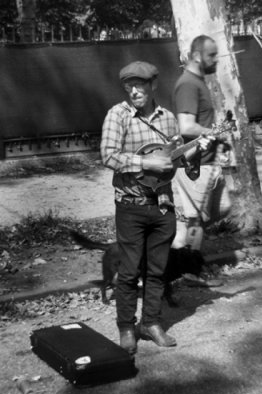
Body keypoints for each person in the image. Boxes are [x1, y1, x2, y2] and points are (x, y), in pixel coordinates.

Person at [100, 61, 181, 356]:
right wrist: (146, 162)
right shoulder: (117, 116)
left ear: (153, 85)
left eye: (140, 85)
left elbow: (175, 157)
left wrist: (197, 151)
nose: (135, 91)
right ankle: (126, 327)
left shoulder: (169, 119)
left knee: (158, 270)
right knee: (130, 271)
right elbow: (108, 156)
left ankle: (151, 323)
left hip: (162, 206)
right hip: (131, 206)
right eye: (129, 86)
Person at [172, 35, 232, 250]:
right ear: (197, 56)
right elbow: (186, 127)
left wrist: (220, 141)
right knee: (196, 219)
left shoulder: (199, 81)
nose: (217, 59)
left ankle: (182, 238)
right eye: (212, 55)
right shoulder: (188, 84)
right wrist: (216, 134)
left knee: (224, 207)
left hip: (209, 161)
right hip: (194, 164)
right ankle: (189, 266)